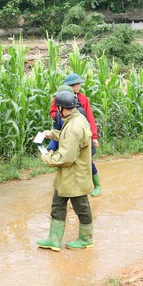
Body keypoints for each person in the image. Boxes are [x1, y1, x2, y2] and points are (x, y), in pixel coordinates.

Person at [37, 90, 94, 251]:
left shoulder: (74, 127)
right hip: (68, 176)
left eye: (57, 108)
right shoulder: (76, 118)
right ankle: (54, 240)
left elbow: (65, 158)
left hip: (75, 176)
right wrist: (53, 134)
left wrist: (47, 158)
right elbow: (67, 137)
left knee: (82, 207)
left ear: (62, 108)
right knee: (57, 205)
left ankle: (86, 238)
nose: (57, 112)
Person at [49, 73, 103, 196]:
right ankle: (72, 189)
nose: (79, 86)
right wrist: (51, 148)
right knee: (69, 163)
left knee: (87, 162)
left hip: (82, 137)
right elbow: (56, 125)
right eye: (76, 84)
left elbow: (89, 119)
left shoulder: (81, 108)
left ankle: (95, 185)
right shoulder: (58, 107)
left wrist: (94, 137)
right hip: (66, 135)